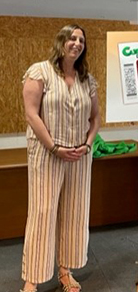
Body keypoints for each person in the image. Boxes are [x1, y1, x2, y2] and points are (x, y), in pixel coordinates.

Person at [20, 24, 101, 292]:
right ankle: (31, 280)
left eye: (81, 40)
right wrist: (54, 147)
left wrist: (88, 145)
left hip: (79, 156)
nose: (77, 43)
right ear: (61, 41)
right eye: (72, 38)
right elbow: (32, 114)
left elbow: (95, 117)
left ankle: (65, 271)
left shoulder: (86, 80)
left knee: (74, 213)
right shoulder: (39, 71)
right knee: (42, 214)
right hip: (47, 154)